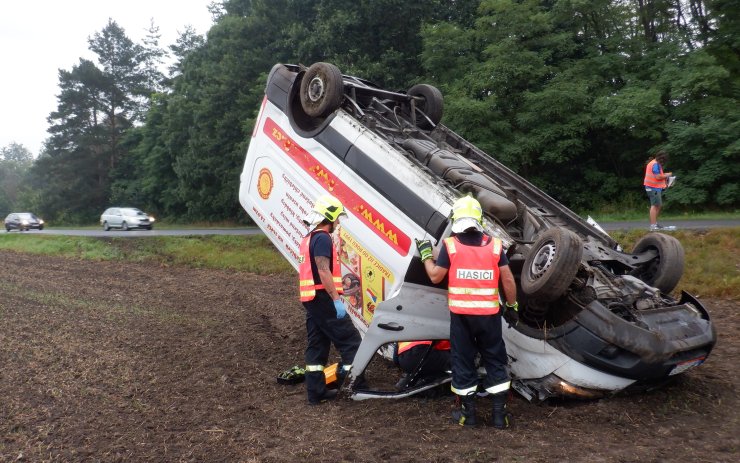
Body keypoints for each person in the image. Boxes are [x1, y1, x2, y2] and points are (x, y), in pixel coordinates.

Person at [415, 195, 519, 428]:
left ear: (456, 219)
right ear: (479, 219)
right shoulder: (494, 246)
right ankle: (499, 416)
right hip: (489, 317)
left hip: (461, 317)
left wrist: (425, 256)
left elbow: (435, 276)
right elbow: (508, 280)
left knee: (463, 361)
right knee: (494, 359)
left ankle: (468, 416)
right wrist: (512, 306)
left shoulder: (451, 246)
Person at [299, 194, 363, 405]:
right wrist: (336, 299)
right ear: (330, 217)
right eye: (337, 219)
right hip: (322, 298)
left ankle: (316, 393)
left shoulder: (310, 237)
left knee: (317, 345)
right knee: (351, 341)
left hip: (312, 299)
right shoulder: (323, 238)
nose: (338, 223)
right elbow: (323, 270)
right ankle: (354, 386)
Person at [643, 151, 673, 231]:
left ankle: (655, 224)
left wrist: (666, 175)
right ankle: (653, 225)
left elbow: (658, 175)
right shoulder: (655, 164)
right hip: (652, 187)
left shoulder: (654, 163)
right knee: (655, 205)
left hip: (654, 187)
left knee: (658, 205)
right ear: (662, 159)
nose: (664, 162)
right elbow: (658, 177)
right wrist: (667, 175)